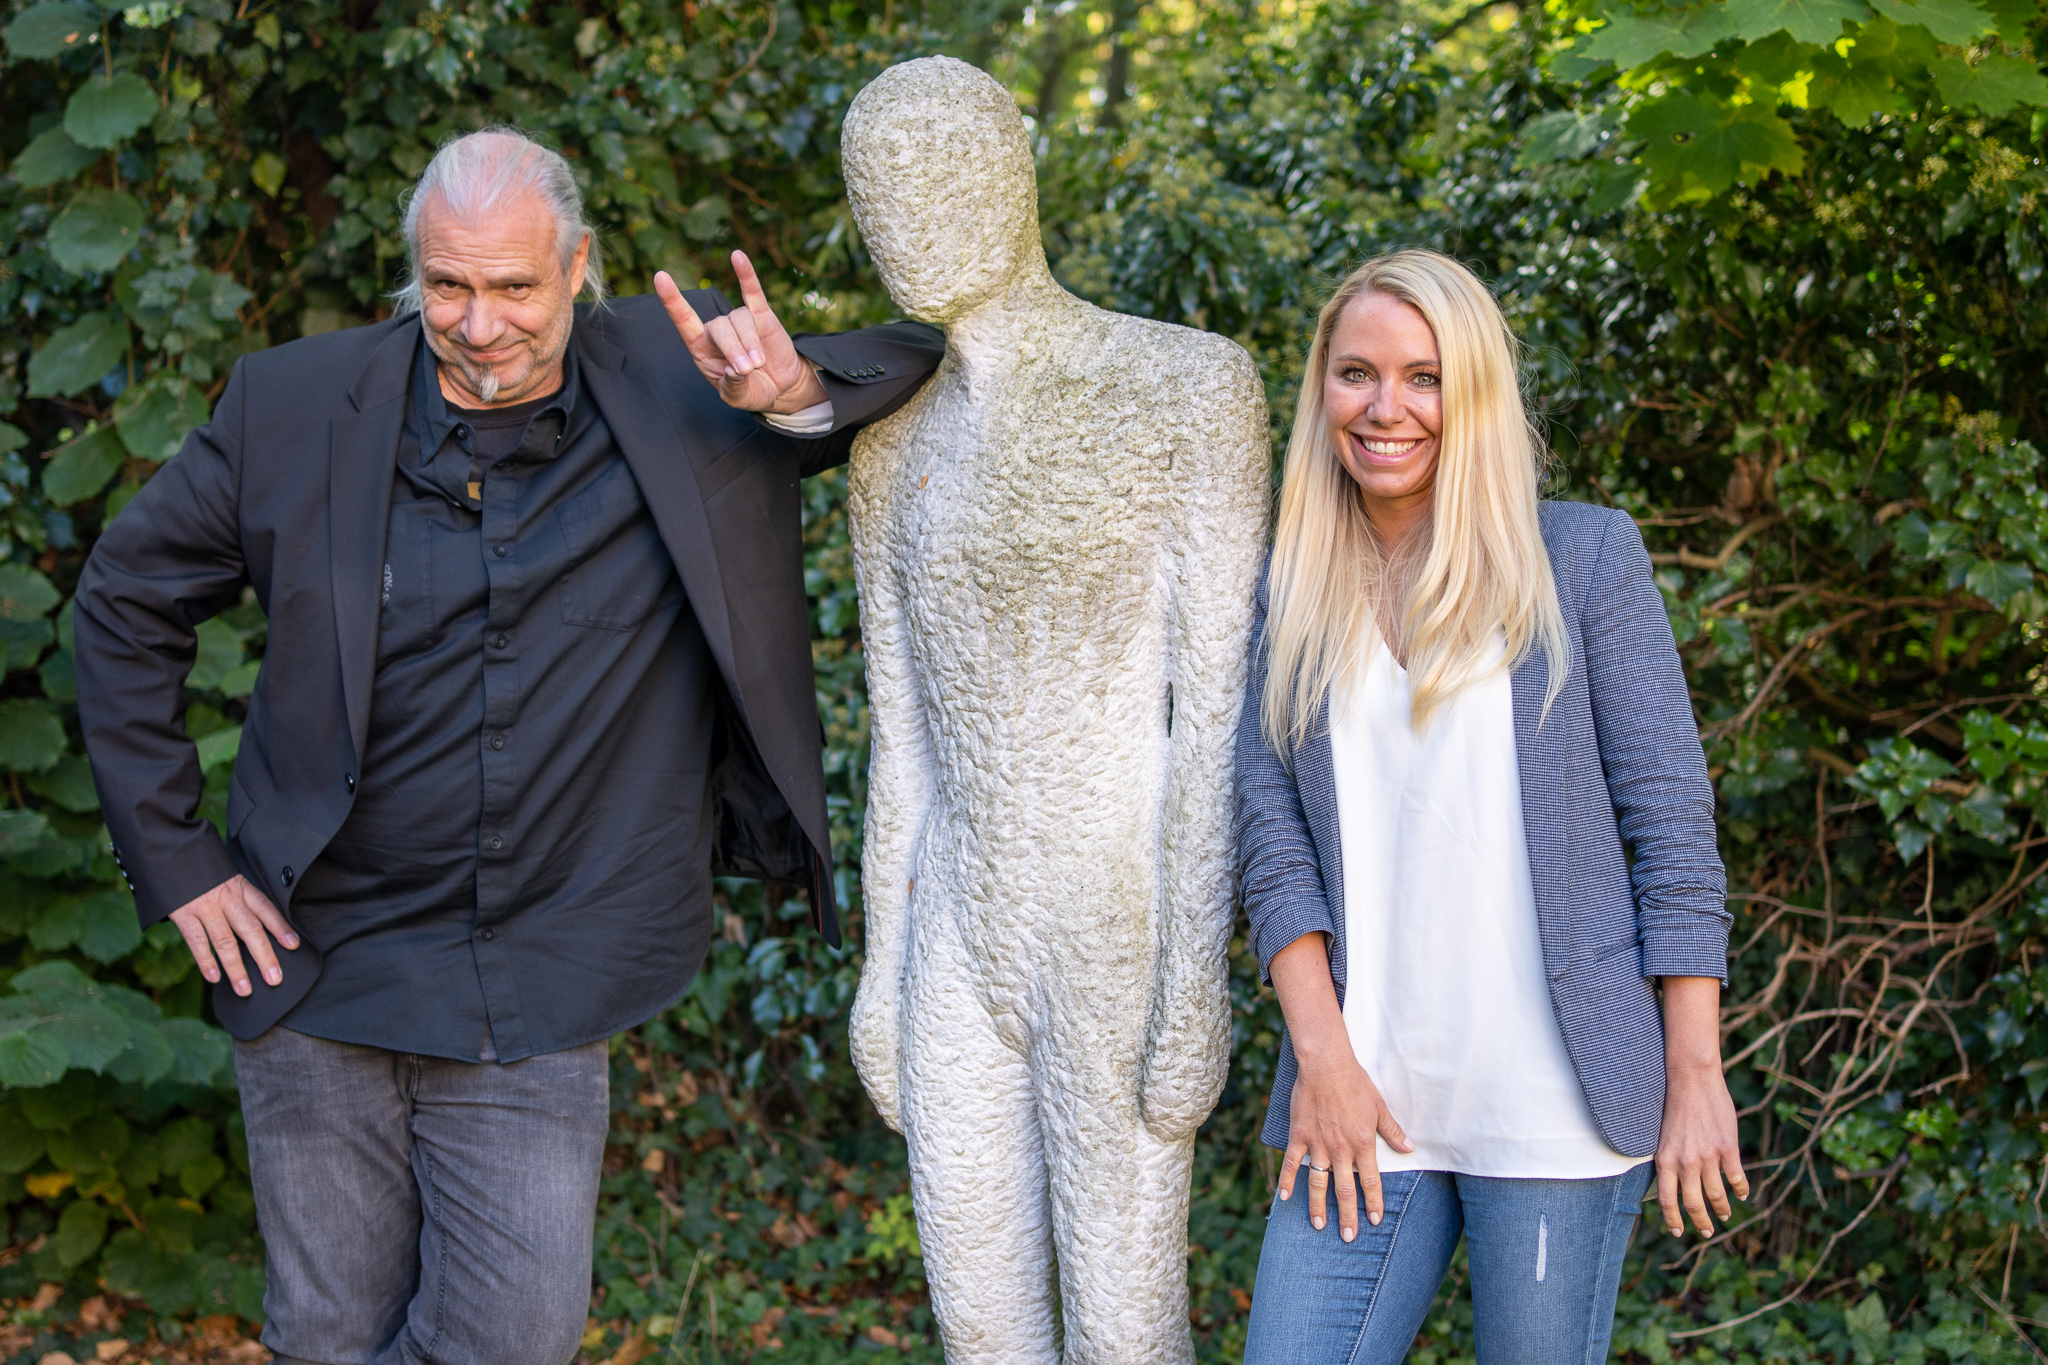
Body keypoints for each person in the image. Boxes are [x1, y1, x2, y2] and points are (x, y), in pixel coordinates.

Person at [72, 127, 942, 1365]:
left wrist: (790, 397)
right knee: (326, 1337)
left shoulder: (681, 369)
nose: (479, 325)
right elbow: (122, 604)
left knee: (514, 1342)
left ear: (579, 266)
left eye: (515, 287)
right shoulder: (297, 403)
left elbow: (915, 356)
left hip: (542, 966)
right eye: (447, 286)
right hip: (317, 956)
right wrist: (176, 856)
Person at [1235, 250, 1746, 1365]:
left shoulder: (1579, 558)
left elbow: (1670, 824)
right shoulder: (1288, 585)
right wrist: (1320, 1057)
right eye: (1355, 373)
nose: (1386, 409)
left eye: (1423, 377)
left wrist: (1695, 1070)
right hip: (1359, 1106)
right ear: (1319, 388)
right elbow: (1270, 841)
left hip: (1554, 1113)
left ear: (1471, 393)